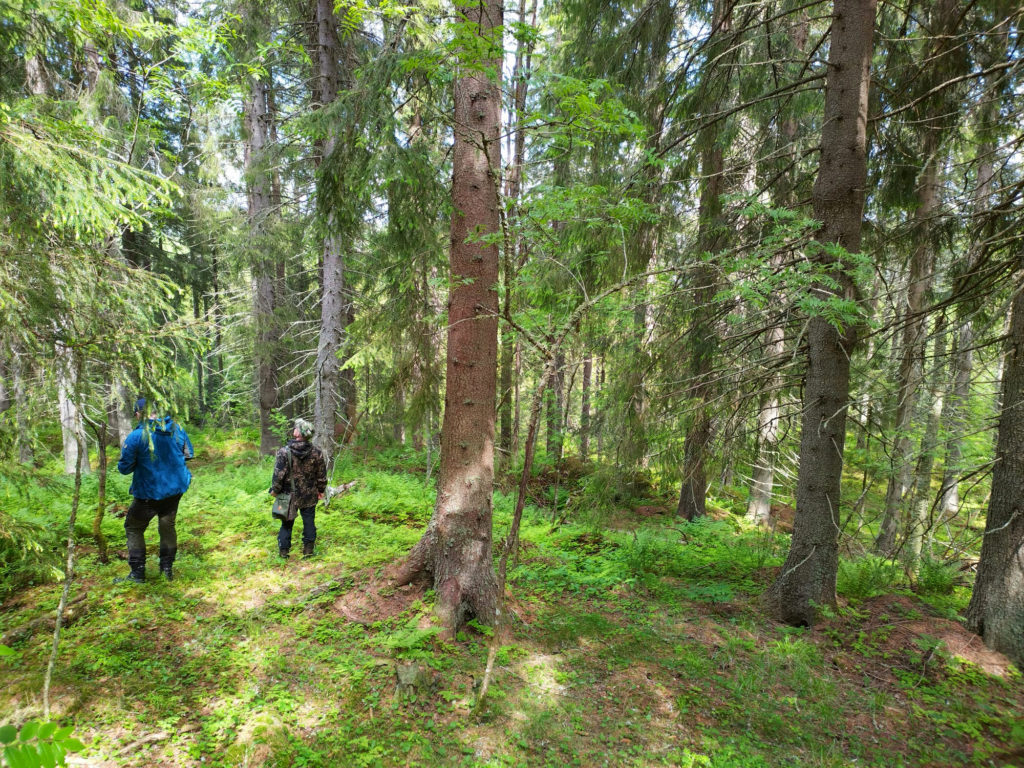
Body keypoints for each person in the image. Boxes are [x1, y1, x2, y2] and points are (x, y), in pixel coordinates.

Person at [115, 398, 194, 583]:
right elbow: (188, 454)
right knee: (167, 526)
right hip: (174, 490)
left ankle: (137, 573)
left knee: (133, 527)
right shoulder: (176, 429)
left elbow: (124, 468)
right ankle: (167, 570)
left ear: (138, 414)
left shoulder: (137, 436)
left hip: (148, 493)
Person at [269, 418, 326, 559]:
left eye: (296, 427)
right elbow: (321, 475)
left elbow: (278, 475)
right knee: (309, 522)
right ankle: (308, 550)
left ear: (298, 433)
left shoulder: (284, 452)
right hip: (309, 495)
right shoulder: (316, 452)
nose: (293, 429)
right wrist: (321, 490)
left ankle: (283, 552)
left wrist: (275, 490)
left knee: (286, 524)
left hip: (288, 495)